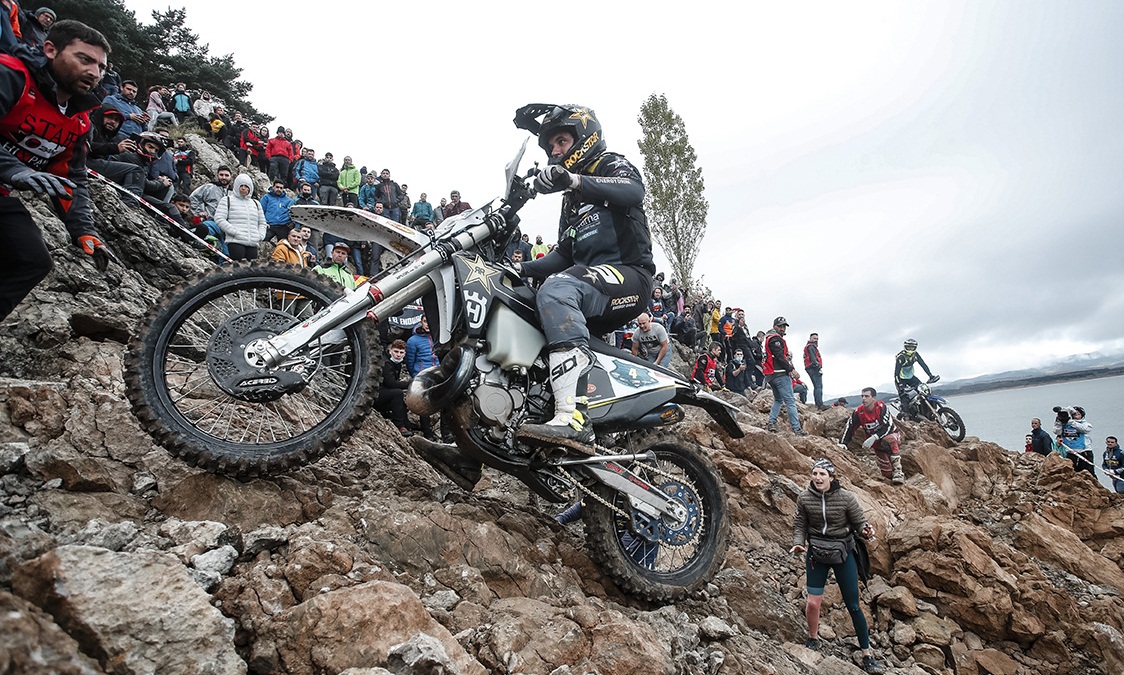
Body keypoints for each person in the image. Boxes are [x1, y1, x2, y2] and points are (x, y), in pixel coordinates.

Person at [511, 103, 654, 453]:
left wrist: (575, 179)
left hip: (631, 277)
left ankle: (572, 415)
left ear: (584, 135)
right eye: (551, 148)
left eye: (560, 141)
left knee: (557, 288)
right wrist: (519, 269)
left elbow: (634, 191)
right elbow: (565, 255)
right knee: (529, 307)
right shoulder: (571, 201)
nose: (556, 152)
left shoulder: (609, 164)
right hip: (591, 286)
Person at [0, 20, 112, 321]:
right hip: (7, 180)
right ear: (50, 50)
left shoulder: (81, 121)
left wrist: (83, 230)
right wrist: (14, 170)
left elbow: (71, 178)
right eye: (84, 59)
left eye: (101, 67)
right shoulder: (10, 74)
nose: (94, 72)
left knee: (32, 259)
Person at [790, 458, 883, 674]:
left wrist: (866, 531)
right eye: (815, 473)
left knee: (853, 605)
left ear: (832, 477)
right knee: (813, 603)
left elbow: (860, 523)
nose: (818, 477)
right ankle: (813, 638)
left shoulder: (846, 498)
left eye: (823, 474)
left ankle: (867, 653)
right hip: (817, 553)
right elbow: (799, 525)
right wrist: (797, 543)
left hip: (843, 552)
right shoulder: (804, 498)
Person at [840, 387, 905, 484]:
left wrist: (875, 437)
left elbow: (888, 426)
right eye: (862, 396)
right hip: (877, 444)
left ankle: (898, 471)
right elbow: (850, 427)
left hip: (892, 435)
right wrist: (844, 443)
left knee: (889, 440)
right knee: (886, 473)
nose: (864, 399)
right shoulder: (859, 412)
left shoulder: (881, 407)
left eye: (867, 396)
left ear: (874, 398)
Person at [763, 317, 805, 436]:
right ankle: (796, 429)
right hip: (780, 373)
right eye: (780, 326)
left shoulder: (768, 338)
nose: (782, 329)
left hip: (770, 375)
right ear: (774, 326)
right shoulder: (775, 339)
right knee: (790, 401)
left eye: (784, 326)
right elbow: (779, 357)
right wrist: (791, 370)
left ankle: (772, 422)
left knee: (778, 399)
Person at [215, 173, 265, 261]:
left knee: (251, 270)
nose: (243, 188)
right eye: (241, 185)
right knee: (237, 267)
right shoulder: (227, 200)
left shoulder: (256, 203)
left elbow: (262, 222)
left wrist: (260, 236)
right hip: (235, 242)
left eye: (246, 186)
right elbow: (219, 218)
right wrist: (234, 232)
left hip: (252, 242)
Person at [894, 338, 938, 420]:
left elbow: (923, 365)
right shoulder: (901, 357)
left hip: (911, 377)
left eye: (912, 347)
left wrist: (930, 375)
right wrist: (900, 384)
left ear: (915, 348)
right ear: (905, 347)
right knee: (904, 396)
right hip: (900, 378)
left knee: (924, 391)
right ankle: (907, 418)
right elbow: (896, 373)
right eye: (909, 347)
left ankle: (926, 411)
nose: (910, 349)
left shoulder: (915, 355)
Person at [377, 339, 413, 435]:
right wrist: (409, 384)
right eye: (396, 352)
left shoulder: (396, 363)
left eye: (401, 352)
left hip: (384, 392)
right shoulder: (387, 363)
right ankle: (399, 425)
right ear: (390, 351)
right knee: (398, 393)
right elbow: (391, 383)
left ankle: (406, 425)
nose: (398, 355)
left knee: (400, 398)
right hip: (377, 393)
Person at [1055, 406, 1094, 477]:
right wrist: (1058, 421)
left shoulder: (1085, 424)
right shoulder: (1065, 425)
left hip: (1084, 452)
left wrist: (1071, 422)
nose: (1076, 414)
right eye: (1074, 413)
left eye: (1078, 413)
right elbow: (1056, 431)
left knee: (1088, 473)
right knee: (1072, 473)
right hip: (1071, 452)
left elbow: (1084, 429)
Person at [804, 333, 826, 410]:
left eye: (817, 339)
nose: (816, 340)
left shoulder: (809, 346)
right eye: (814, 338)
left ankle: (818, 403)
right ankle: (820, 404)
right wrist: (818, 366)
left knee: (817, 386)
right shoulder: (811, 347)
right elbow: (813, 358)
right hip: (813, 368)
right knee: (818, 386)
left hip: (810, 367)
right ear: (810, 339)